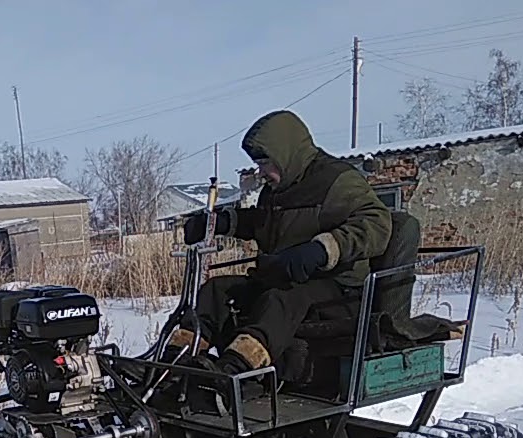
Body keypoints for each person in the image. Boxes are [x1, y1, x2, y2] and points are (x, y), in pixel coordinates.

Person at [164, 109, 392, 386]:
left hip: (337, 287)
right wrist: (220, 222)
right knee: (216, 290)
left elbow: (377, 223)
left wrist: (322, 249)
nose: (260, 173)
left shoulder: (338, 181)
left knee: (280, 299)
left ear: (286, 154)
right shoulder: (277, 188)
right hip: (284, 277)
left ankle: (233, 373)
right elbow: (263, 222)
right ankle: (174, 364)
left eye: (264, 163)